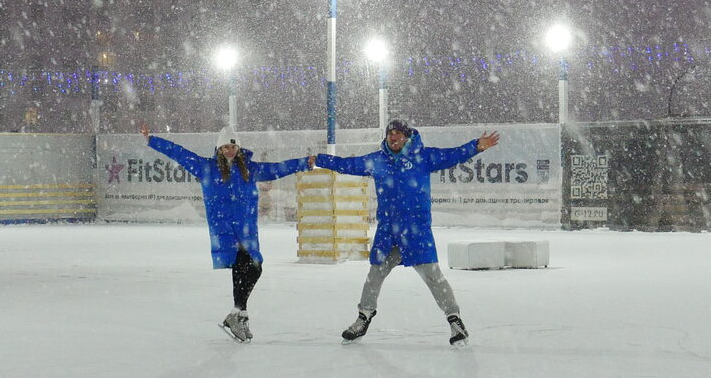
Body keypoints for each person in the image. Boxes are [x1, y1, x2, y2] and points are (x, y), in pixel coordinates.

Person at [316, 119, 500, 345]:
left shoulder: (422, 157)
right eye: (390, 134)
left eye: (398, 134)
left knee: (433, 277)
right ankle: (363, 318)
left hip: (416, 232)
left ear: (407, 137)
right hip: (388, 233)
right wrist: (322, 160)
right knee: (375, 275)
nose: (393, 138)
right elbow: (349, 164)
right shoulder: (377, 160)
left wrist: (475, 146)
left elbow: (452, 155)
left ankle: (455, 321)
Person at [141, 123, 313, 341]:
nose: (229, 151)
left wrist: (303, 164)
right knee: (246, 267)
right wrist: (153, 141)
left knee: (250, 269)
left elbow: (278, 168)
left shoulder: (249, 169)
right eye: (224, 148)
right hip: (224, 229)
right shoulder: (207, 168)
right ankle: (239, 314)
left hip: (246, 229)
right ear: (219, 150)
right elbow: (180, 154)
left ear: (238, 148)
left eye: (232, 147)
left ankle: (239, 314)